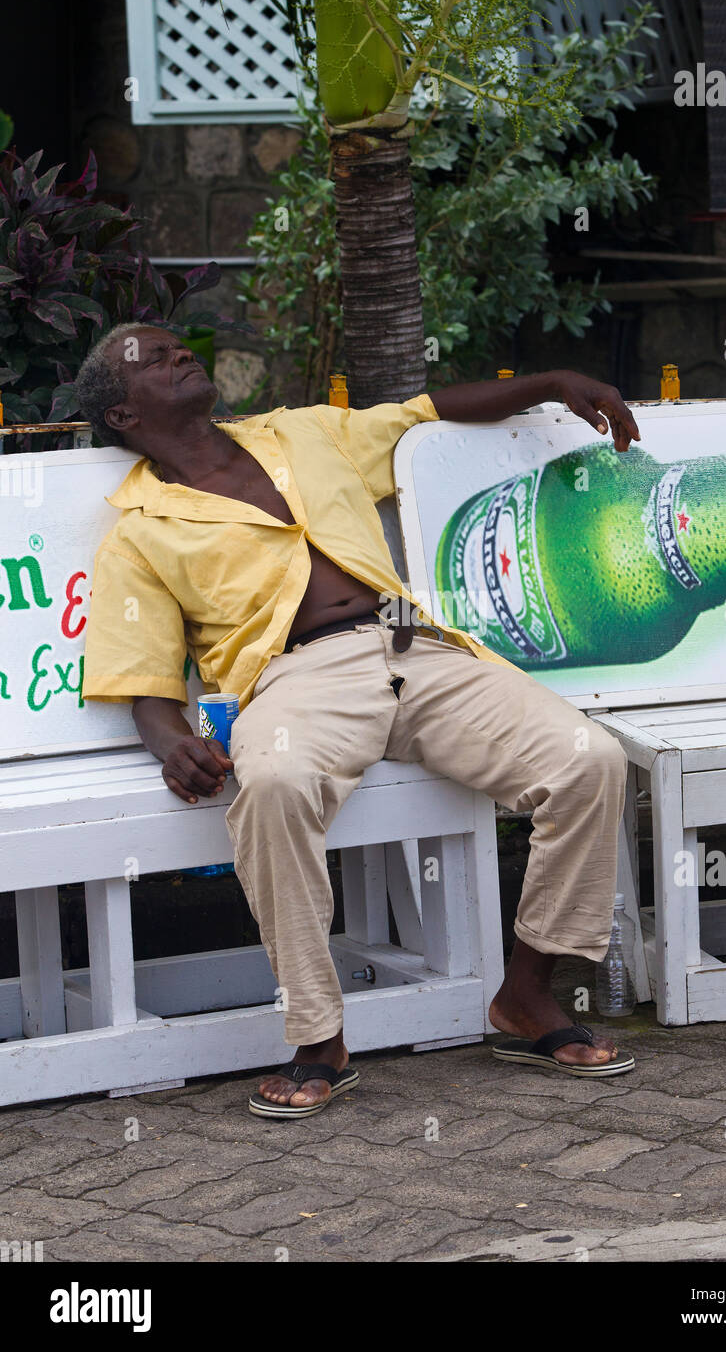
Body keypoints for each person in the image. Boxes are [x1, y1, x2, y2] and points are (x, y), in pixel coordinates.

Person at [76, 322, 639, 1119]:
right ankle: (318, 1036)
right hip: (297, 681)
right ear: (124, 417)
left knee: (588, 758)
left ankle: (526, 995)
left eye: (175, 345)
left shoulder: (302, 432)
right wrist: (175, 745)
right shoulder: (141, 530)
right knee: (271, 785)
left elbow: (426, 410)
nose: (178, 355)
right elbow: (144, 675)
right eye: (152, 360)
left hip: (418, 648)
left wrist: (551, 382)